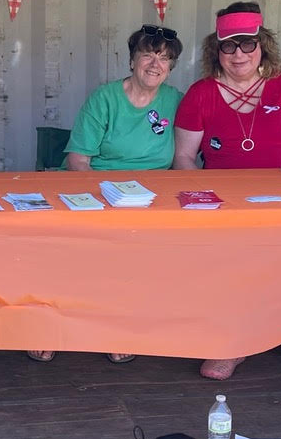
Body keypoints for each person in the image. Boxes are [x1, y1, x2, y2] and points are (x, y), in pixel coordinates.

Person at [173, 1, 281, 380]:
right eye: (229, 45)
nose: (238, 53)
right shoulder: (200, 93)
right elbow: (185, 158)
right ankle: (236, 342)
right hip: (225, 204)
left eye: (247, 44)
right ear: (216, 50)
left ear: (263, 47)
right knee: (233, 256)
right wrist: (204, 203)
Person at [27, 23, 184, 364]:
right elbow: (77, 160)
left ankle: (120, 328)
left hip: (149, 197)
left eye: (164, 58)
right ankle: (48, 326)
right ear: (132, 60)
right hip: (94, 187)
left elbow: (187, 154)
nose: (155, 64)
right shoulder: (105, 98)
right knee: (67, 246)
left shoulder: (176, 101)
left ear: (171, 67)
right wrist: (107, 200)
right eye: (148, 55)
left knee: (146, 254)